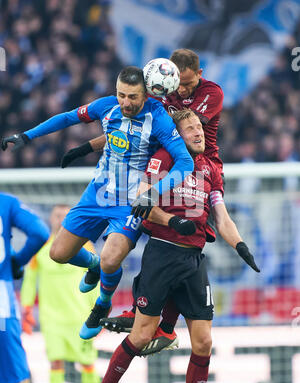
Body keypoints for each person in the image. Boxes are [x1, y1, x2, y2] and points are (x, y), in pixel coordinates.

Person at [1, 66, 194, 340]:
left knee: (111, 258)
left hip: (132, 202)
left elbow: (185, 162)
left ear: (146, 94)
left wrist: (153, 192)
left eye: (132, 97)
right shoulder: (107, 107)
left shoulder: (159, 119)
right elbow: (68, 118)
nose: (126, 102)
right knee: (58, 254)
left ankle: (102, 304)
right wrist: (27, 136)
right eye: (121, 95)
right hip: (98, 193)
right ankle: (92, 266)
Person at [68, 49, 224, 350]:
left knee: (183, 245)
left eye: (188, 85)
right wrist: (86, 147)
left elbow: (188, 128)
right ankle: (147, 314)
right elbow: (120, 126)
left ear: (199, 75)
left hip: (203, 167)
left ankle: (160, 322)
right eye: (179, 86)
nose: (183, 91)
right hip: (163, 163)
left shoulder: (210, 93)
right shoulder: (158, 98)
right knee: (157, 237)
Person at [101, 109, 260, 383]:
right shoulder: (163, 159)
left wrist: (240, 245)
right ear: (177, 135)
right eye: (190, 129)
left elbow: (222, 218)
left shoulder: (210, 168)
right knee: (140, 336)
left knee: (203, 342)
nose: (199, 132)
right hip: (162, 252)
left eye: (199, 127)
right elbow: (141, 203)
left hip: (194, 261)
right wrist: (172, 221)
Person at [20, 205, 100, 383]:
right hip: (51, 319)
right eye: (57, 215)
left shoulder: (86, 246)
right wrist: (26, 307)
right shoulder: (40, 248)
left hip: (80, 317)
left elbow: (96, 280)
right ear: (51, 219)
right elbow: (30, 280)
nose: (61, 219)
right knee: (55, 363)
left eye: (65, 215)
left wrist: (99, 312)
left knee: (87, 363)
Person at [0, 192, 49, 383]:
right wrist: (17, 262)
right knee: (15, 374)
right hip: (1, 308)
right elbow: (40, 233)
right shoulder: (6, 202)